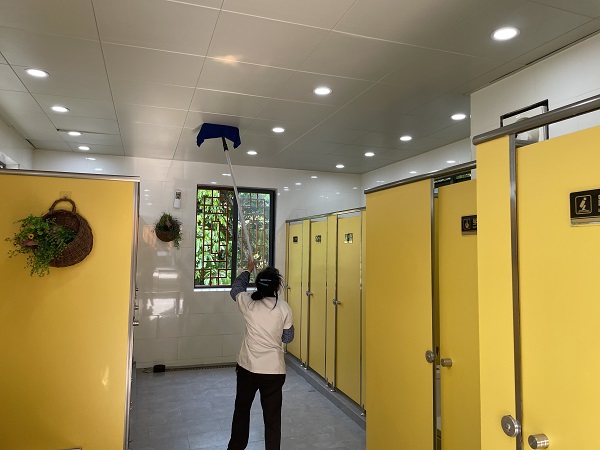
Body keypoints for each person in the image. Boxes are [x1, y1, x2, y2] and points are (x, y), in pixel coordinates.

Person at [227, 259, 295, 450]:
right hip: (273, 372)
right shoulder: (284, 308)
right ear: (277, 287)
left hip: (247, 369)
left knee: (241, 412)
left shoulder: (248, 303)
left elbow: (235, 289)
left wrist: (248, 269)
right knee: (272, 419)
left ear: (257, 285)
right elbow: (288, 338)